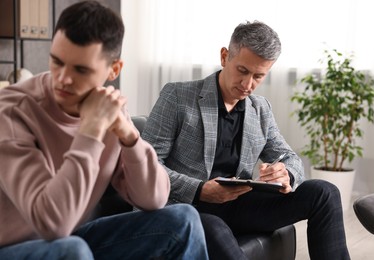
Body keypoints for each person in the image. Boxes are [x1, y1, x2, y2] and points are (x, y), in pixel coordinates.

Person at [0, 1, 208, 259]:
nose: (62, 78)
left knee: (183, 220)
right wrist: (90, 132)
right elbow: (52, 222)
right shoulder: (12, 111)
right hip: (12, 248)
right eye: (56, 62)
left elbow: (153, 199)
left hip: (69, 239)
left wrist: (129, 138)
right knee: (72, 250)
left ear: (114, 70)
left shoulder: (108, 110)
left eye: (80, 69)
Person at [142, 21, 351, 260]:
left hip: (237, 205)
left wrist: (286, 174)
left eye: (258, 76)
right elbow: (147, 165)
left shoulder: (260, 109)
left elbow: (290, 157)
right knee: (213, 227)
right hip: (189, 207)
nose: (247, 84)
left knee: (324, 192)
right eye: (242, 71)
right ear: (224, 57)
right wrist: (200, 190)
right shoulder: (177, 96)